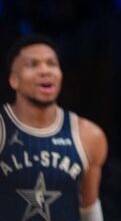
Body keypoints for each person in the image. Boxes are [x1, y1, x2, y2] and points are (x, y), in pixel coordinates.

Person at [1, 33, 109, 221]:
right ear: (14, 80)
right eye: (32, 64)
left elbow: (89, 209)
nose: (45, 70)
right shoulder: (3, 127)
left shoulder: (89, 135)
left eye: (52, 64)